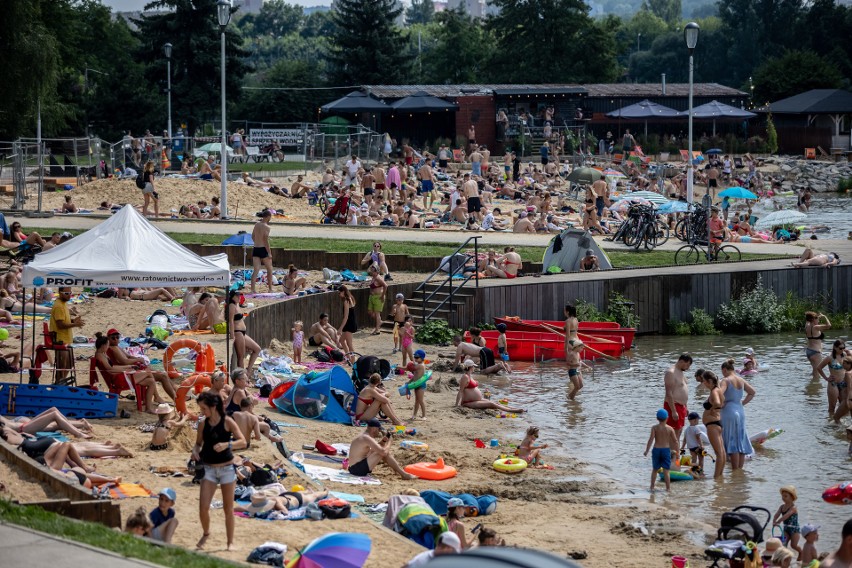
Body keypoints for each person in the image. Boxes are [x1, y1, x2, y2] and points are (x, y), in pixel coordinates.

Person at [192, 391, 246, 550]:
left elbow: (243, 441)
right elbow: (198, 444)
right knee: (203, 507)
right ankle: (206, 532)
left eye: (204, 408)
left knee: (228, 509)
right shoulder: (203, 424)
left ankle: (230, 542)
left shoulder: (227, 421)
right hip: (208, 469)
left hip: (227, 469)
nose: (202, 412)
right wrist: (195, 451)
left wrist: (227, 445)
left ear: (213, 406)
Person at [93, 332, 161, 412]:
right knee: (148, 372)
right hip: (119, 380)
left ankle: (148, 407)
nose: (108, 347)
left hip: (118, 377)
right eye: (107, 345)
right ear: (103, 345)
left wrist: (129, 367)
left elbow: (112, 367)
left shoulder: (102, 354)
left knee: (151, 381)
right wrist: (126, 369)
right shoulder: (100, 355)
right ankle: (151, 400)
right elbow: (110, 369)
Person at [107, 328, 177, 402]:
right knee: (162, 376)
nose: (115, 339)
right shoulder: (113, 349)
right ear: (108, 338)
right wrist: (138, 360)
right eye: (113, 338)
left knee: (161, 374)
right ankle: (175, 398)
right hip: (128, 374)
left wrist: (138, 359)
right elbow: (124, 361)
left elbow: (128, 356)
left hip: (129, 371)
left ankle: (174, 392)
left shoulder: (116, 347)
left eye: (117, 337)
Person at [347, 419, 417, 479]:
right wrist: (390, 442)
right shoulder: (367, 438)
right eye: (379, 429)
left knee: (381, 450)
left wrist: (383, 441)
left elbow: (373, 449)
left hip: (354, 468)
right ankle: (403, 474)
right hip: (357, 470)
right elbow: (383, 452)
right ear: (374, 429)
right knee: (383, 452)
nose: (379, 432)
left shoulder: (364, 435)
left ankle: (399, 471)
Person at [719, 359, 755, 471]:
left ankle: (735, 471)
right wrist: (742, 403)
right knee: (740, 439)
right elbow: (752, 392)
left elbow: (719, 393)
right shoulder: (741, 379)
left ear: (724, 370)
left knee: (732, 440)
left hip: (729, 411)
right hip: (739, 410)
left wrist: (721, 404)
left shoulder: (725, 380)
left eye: (722, 371)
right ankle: (739, 471)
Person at [456, 358, 524, 413]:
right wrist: (457, 405)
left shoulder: (470, 376)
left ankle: (514, 408)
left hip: (475, 400)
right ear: (470, 367)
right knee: (491, 404)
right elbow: (461, 391)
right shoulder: (465, 377)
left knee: (494, 402)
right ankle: (511, 410)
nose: (474, 368)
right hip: (468, 403)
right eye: (473, 366)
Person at [49, 287, 84, 382]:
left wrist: (73, 321)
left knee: (69, 363)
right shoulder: (59, 306)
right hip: (60, 339)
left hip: (65, 339)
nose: (69, 295)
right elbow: (60, 325)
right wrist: (75, 324)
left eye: (70, 293)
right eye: (66, 293)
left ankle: (61, 381)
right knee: (62, 365)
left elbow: (63, 320)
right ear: (60, 293)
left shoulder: (63, 304)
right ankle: (60, 381)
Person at [700, 370, 727, 478]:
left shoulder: (714, 391)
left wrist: (711, 409)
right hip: (717, 423)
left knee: (718, 453)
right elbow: (723, 403)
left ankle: (716, 477)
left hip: (712, 425)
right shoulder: (719, 390)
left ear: (710, 381)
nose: (703, 384)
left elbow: (717, 403)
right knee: (722, 452)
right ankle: (720, 476)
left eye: (704, 381)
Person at [644, 409, 678, 492]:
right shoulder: (670, 429)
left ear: (657, 418)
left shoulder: (654, 428)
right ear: (667, 418)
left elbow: (651, 439)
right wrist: (677, 452)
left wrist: (647, 451)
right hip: (666, 450)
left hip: (656, 449)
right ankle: (668, 488)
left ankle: (652, 487)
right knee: (666, 471)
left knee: (655, 470)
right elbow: (675, 441)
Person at [664, 353, 693, 448]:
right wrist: (673, 411)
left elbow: (682, 390)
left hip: (682, 406)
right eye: (687, 365)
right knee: (673, 434)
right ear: (681, 361)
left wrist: (686, 406)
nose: (688, 367)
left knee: (679, 432)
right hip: (673, 406)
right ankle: (672, 459)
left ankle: (676, 458)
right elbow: (669, 393)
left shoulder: (681, 372)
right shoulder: (671, 372)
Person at [228, 291, 260, 373]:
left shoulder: (237, 305)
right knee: (241, 357)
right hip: (237, 332)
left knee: (257, 349)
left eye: (240, 296)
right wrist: (232, 334)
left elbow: (241, 316)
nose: (239, 297)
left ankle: (248, 370)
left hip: (242, 332)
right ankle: (242, 376)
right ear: (232, 296)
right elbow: (230, 320)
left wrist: (248, 312)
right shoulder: (231, 306)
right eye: (237, 296)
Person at [818, 340, 847, 419]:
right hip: (833, 383)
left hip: (843, 383)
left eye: (844, 348)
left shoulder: (845, 355)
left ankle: (842, 423)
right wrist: (826, 378)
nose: (842, 350)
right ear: (835, 347)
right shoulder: (829, 357)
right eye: (840, 348)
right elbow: (819, 368)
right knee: (832, 407)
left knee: (844, 405)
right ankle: (831, 424)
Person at [773, 485, 801, 558]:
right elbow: (777, 514)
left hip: (794, 529)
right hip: (786, 528)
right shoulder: (782, 506)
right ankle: (784, 558)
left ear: (792, 497)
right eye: (782, 496)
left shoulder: (793, 507)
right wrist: (774, 521)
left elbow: (787, 515)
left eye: (786, 496)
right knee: (783, 544)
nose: (783, 498)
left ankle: (801, 552)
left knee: (793, 545)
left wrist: (778, 521)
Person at [250, 209, 274, 294]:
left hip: (256, 248)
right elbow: (265, 240)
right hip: (263, 249)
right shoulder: (267, 227)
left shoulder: (256, 224)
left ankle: (252, 289)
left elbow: (253, 236)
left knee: (256, 270)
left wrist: (257, 242)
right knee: (269, 269)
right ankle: (270, 288)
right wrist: (269, 252)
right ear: (268, 217)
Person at [804, 311, 831, 381]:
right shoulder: (816, 327)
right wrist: (825, 317)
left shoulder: (807, 326)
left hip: (808, 351)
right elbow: (829, 325)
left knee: (814, 370)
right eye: (817, 319)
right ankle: (816, 389)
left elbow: (808, 320)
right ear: (813, 319)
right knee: (817, 373)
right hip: (815, 352)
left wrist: (816, 317)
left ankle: (811, 387)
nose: (818, 320)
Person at [337, 285, 357, 358]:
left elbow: (346, 317)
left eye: (339, 293)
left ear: (343, 292)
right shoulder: (351, 298)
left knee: (349, 344)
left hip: (349, 324)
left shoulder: (346, 301)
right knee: (342, 341)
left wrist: (340, 329)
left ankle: (353, 361)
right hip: (350, 322)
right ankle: (348, 358)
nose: (339, 295)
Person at [366, 265, 386, 335]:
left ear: (376, 271)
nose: (371, 272)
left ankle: (377, 329)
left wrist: (383, 296)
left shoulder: (378, 278)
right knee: (370, 312)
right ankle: (380, 322)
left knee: (377, 314)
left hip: (378, 297)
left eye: (372, 271)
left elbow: (385, 286)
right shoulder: (373, 277)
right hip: (372, 297)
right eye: (371, 270)